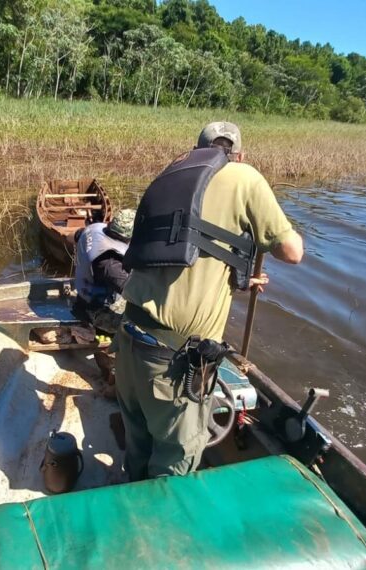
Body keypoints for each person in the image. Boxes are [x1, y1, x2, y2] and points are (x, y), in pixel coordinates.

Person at [115, 122, 304, 481]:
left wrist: (239, 275)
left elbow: (182, 252)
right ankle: (157, 527)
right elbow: (292, 252)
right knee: (175, 462)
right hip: (173, 360)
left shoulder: (173, 175)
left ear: (198, 150)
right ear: (240, 155)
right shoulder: (244, 175)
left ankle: (130, 495)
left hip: (129, 338)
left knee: (137, 441)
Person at [73, 208, 136, 335]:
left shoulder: (95, 229)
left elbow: (78, 235)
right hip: (95, 310)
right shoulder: (110, 265)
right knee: (137, 328)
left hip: (83, 295)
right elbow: (134, 292)